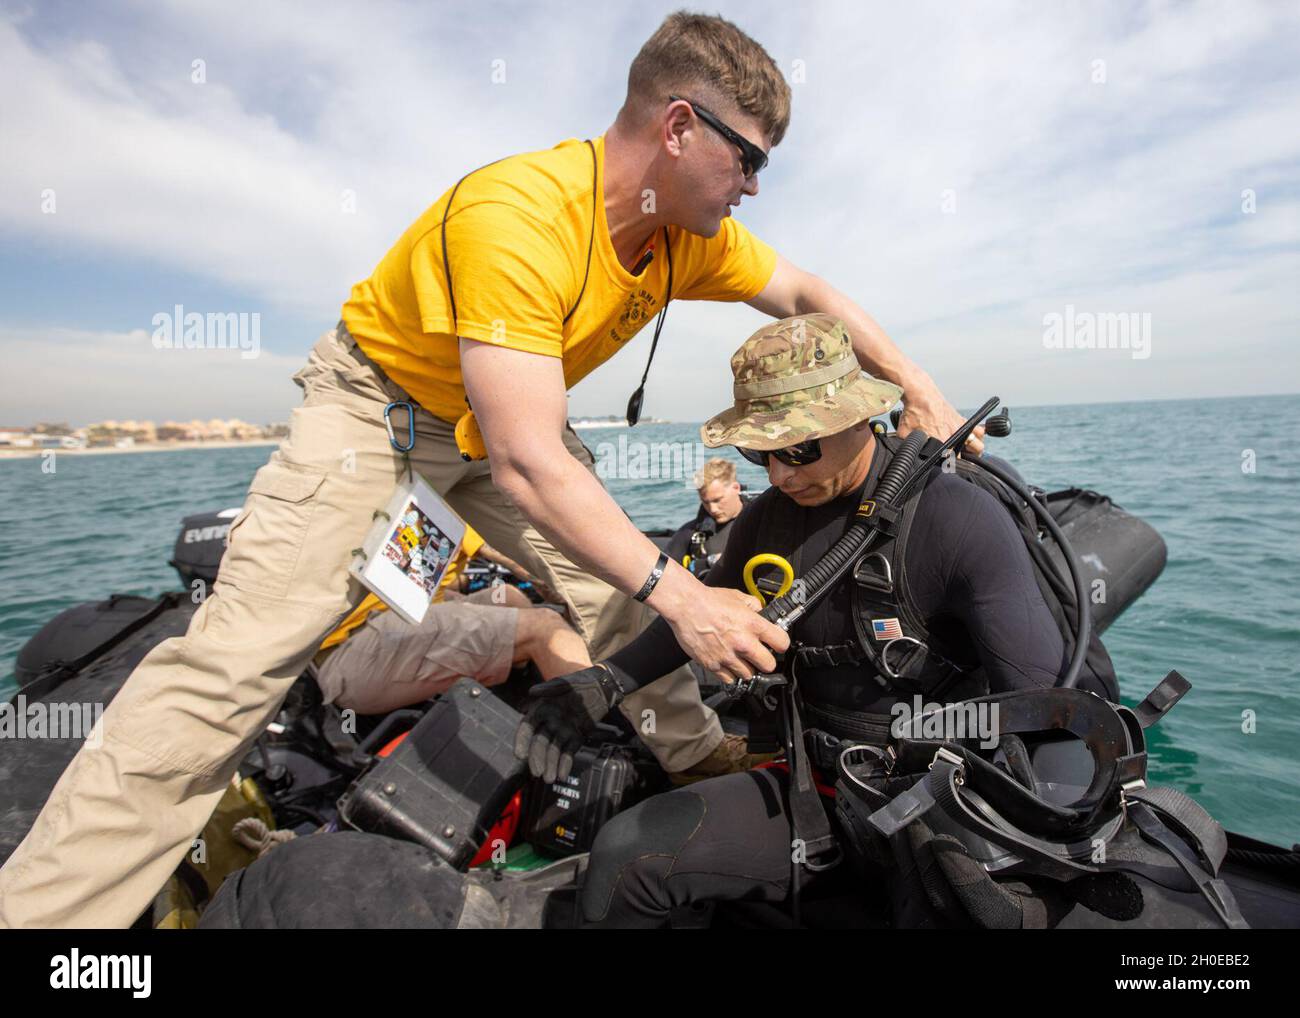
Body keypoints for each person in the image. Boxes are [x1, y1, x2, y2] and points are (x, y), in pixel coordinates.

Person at [0, 13, 977, 928]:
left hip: (492, 429)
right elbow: (524, 456)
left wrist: (915, 382)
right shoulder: (519, 215)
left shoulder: (687, 240)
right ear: (679, 125)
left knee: (616, 588)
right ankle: (46, 916)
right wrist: (686, 595)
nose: (755, 185)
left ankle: (692, 756)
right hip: (379, 419)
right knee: (229, 672)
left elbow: (803, 290)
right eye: (749, 157)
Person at [515, 314, 1107, 927]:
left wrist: (1030, 856)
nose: (778, 475)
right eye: (759, 452)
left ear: (857, 417)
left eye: (797, 449)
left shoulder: (956, 519)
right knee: (624, 855)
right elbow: (699, 617)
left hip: (938, 808)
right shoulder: (763, 520)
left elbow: (1048, 711)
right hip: (813, 793)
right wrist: (604, 682)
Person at [313, 528, 590, 715]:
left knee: (507, 595)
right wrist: (568, 588)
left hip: (399, 619)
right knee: (545, 627)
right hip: (354, 658)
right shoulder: (447, 493)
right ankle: (588, 730)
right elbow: (512, 557)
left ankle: (519, 708)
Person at [664, 458, 751, 578]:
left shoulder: (759, 521)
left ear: (736, 488)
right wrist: (708, 562)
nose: (713, 509)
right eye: (706, 502)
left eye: (717, 500)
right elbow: (665, 573)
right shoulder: (690, 533)